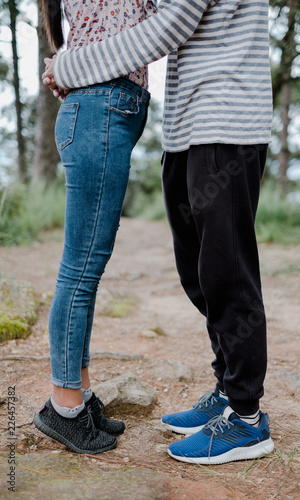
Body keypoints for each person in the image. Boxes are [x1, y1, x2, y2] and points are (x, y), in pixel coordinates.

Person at [43, 0, 275, 464]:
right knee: (200, 272)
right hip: (189, 123)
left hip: (223, 115)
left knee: (226, 272)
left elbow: (171, 23)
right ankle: (228, 390)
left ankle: (247, 419)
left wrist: (69, 64)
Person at [33, 0, 156, 454]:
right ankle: (63, 406)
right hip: (101, 109)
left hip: (104, 108)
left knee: (87, 267)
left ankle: (78, 395)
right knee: (81, 269)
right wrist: (63, 67)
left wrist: (63, 66)